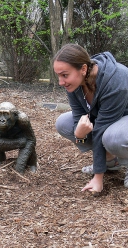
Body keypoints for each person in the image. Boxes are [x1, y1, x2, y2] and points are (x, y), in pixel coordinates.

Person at [53, 43, 128, 194]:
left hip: (124, 117)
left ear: (83, 69)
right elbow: (78, 116)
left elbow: (100, 128)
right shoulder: (75, 84)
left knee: (111, 137)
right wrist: (79, 135)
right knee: (63, 123)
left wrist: (97, 178)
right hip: (106, 119)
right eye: (59, 76)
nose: (61, 82)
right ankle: (110, 162)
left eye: (65, 75)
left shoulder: (115, 80)